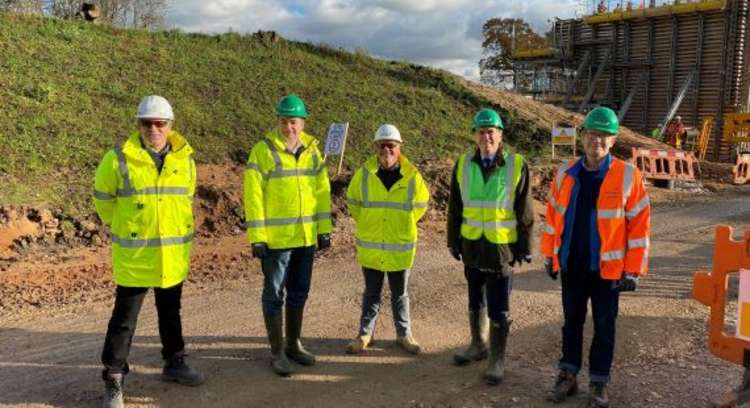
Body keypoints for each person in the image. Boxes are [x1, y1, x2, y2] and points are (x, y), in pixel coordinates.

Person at [93, 95, 202, 408]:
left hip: (171, 255)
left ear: (170, 126)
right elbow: (104, 199)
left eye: (160, 123)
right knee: (124, 319)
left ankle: (174, 361)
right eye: (146, 123)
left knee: (171, 312)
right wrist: (127, 227)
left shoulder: (185, 160)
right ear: (138, 125)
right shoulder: (118, 159)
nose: (153, 129)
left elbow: (186, 199)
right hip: (136, 255)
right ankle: (113, 378)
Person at [541, 106, 651, 407]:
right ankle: (568, 375)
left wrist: (633, 271)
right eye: (592, 134)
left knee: (605, 325)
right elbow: (552, 217)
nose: (597, 141)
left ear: (613, 140)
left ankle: (599, 382)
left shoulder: (629, 175)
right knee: (571, 321)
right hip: (572, 265)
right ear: (583, 136)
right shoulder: (566, 172)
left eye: (604, 136)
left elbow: (639, 227)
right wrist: (549, 255)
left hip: (608, 270)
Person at [244, 94, 332, 377]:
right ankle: (277, 351)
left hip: (305, 237)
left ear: (303, 123)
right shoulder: (263, 151)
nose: (288, 127)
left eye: (293, 121)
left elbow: (322, 193)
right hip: (277, 241)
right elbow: (253, 196)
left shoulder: (313, 152)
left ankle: (294, 344)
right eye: (283, 121)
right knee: (273, 294)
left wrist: (324, 230)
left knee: (299, 292)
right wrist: (257, 236)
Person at [447, 108, 534, 385]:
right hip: (472, 245)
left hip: (500, 249)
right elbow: (455, 207)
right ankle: (478, 344)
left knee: (499, 305)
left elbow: (525, 210)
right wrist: (453, 240)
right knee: (475, 299)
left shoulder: (516, 165)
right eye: (482, 132)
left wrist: (525, 246)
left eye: (491, 131)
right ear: (475, 135)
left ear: (501, 135)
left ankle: (497, 359)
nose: (487, 137)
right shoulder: (462, 164)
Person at [344, 124, 430, 355]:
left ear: (399, 147)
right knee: (371, 293)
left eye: (391, 145)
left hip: (399, 246)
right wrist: (370, 223)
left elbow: (421, 205)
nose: (387, 150)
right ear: (375, 147)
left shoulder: (412, 176)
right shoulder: (364, 174)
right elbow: (353, 202)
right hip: (372, 244)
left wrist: (402, 223)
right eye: (382, 145)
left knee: (400, 294)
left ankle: (404, 334)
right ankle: (365, 334)